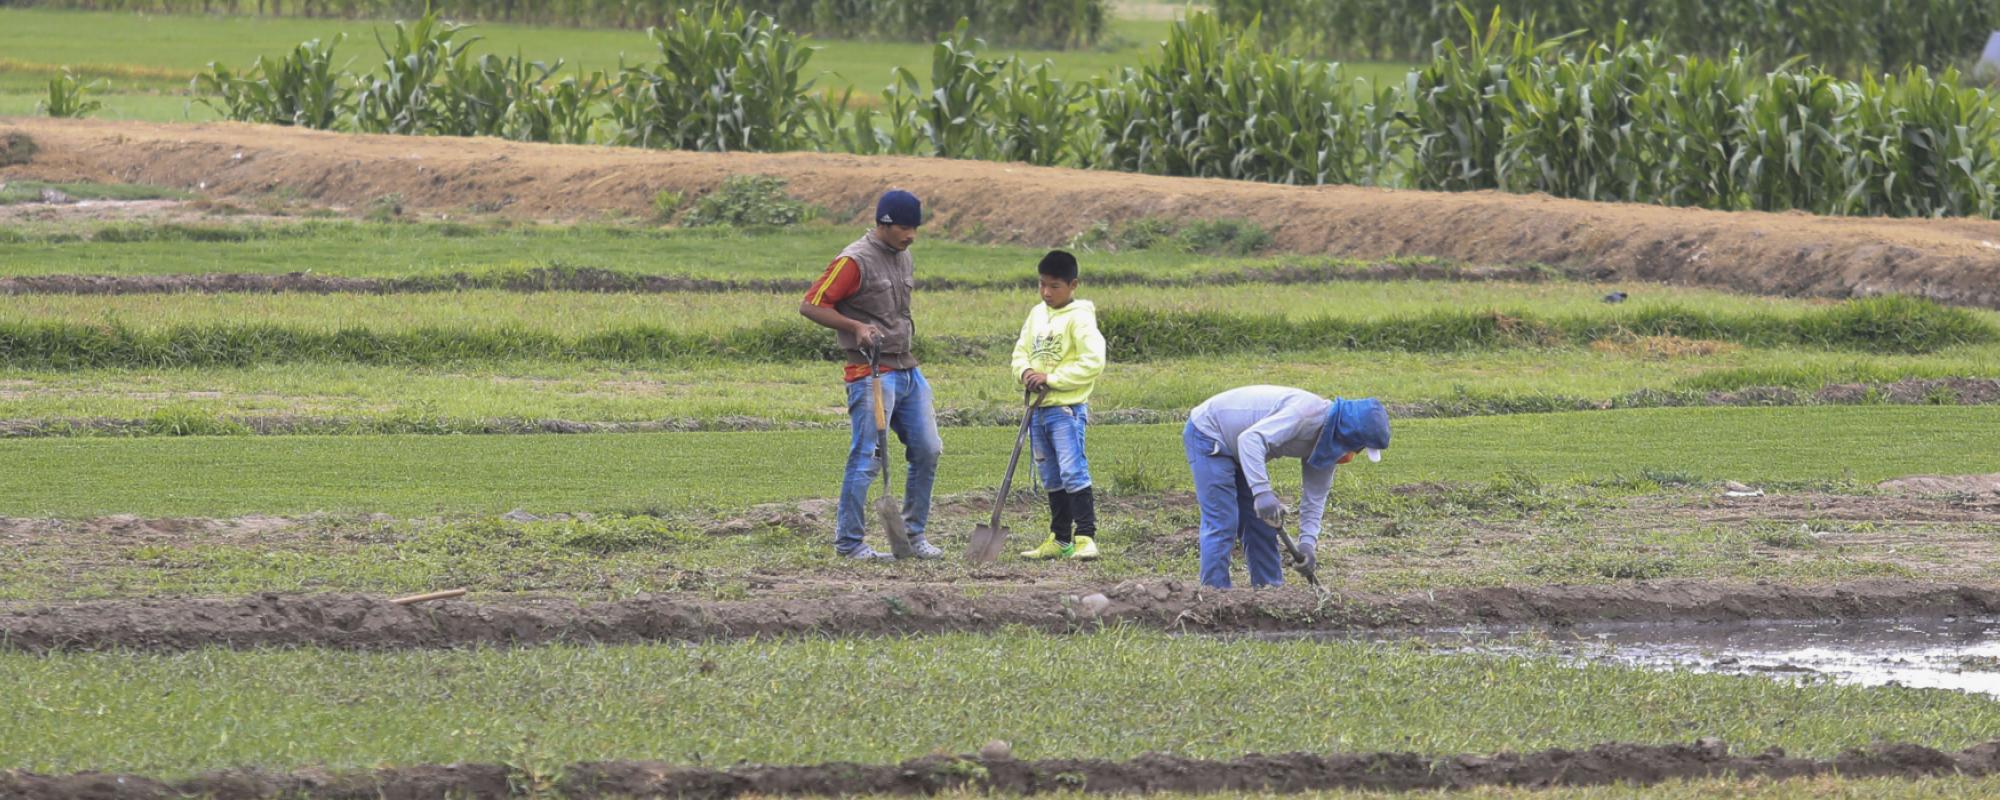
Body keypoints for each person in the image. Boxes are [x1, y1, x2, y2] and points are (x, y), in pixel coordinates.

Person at [797, 189, 943, 560]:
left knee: (928, 449)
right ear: (884, 224)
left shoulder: (904, 256)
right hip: (871, 373)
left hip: (907, 369)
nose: (911, 235)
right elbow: (811, 304)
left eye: (916, 228)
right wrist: (855, 326)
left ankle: (913, 537)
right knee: (867, 458)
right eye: (905, 228)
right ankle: (850, 544)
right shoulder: (854, 261)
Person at [1182, 386, 1390, 588]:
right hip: (1210, 432)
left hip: (1242, 448)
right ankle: (1214, 597)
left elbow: (1315, 497)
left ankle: (1270, 594)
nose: (1355, 453)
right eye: (1359, 447)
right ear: (1348, 434)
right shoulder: (1305, 415)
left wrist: (1307, 545)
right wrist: (1262, 492)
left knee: (1262, 524)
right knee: (1223, 520)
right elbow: (1250, 439)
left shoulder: (1328, 445)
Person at [1011, 249, 1106, 561]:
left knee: (1072, 470)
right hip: (1037, 410)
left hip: (1066, 411)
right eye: (1041, 285)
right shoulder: (1037, 314)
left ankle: (1086, 537)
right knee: (1050, 474)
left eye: (1054, 286)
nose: (1046, 292)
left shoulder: (1080, 318)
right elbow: (1021, 351)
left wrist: (1051, 378)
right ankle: (1060, 537)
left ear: (1073, 285)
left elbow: (1092, 362)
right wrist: (1025, 372)